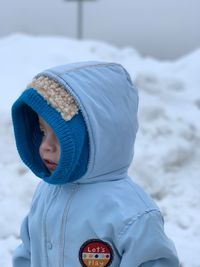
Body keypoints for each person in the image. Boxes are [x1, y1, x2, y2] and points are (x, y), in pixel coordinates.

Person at [11, 61, 179, 267]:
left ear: (97, 136)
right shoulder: (46, 194)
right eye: (43, 132)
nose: (46, 146)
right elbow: (28, 252)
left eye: (61, 136)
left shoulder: (131, 212)